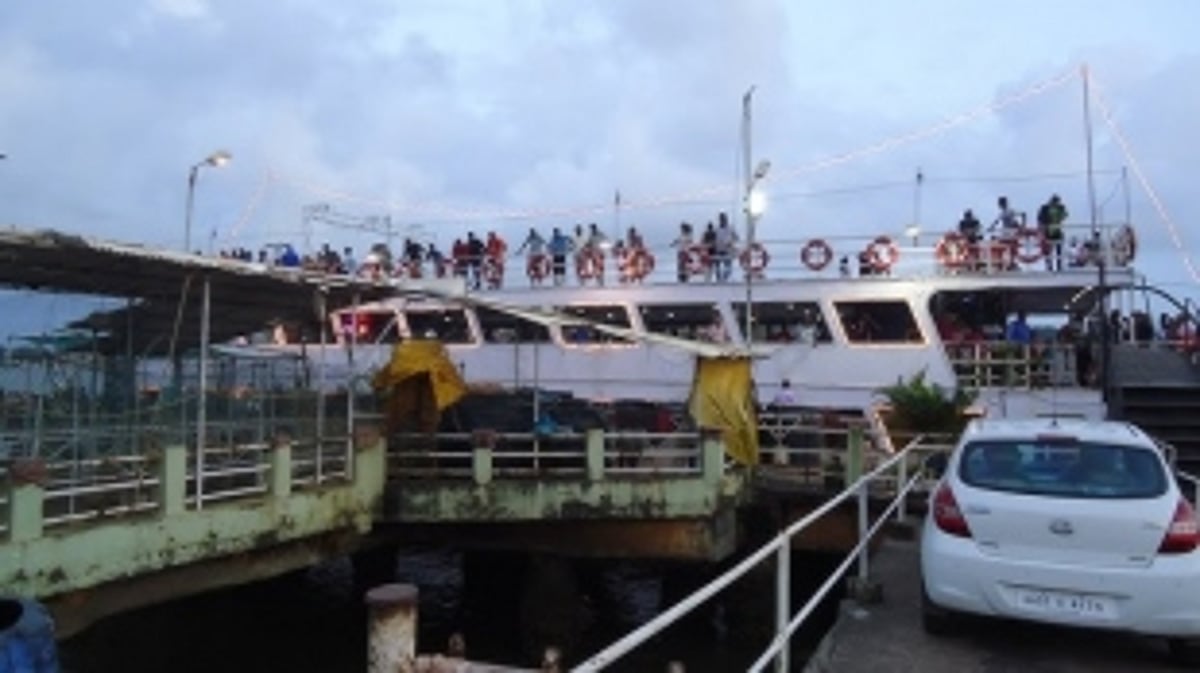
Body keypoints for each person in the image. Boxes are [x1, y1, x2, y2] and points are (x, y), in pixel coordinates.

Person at [1037, 194, 1069, 271]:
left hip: (1057, 230)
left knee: (1058, 250)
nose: (1056, 203)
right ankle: (1049, 266)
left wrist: (1062, 210)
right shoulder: (1045, 208)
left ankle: (1058, 266)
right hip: (1048, 231)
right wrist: (1041, 228)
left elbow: (1065, 215)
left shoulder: (1060, 208)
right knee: (1048, 250)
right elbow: (1040, 218)